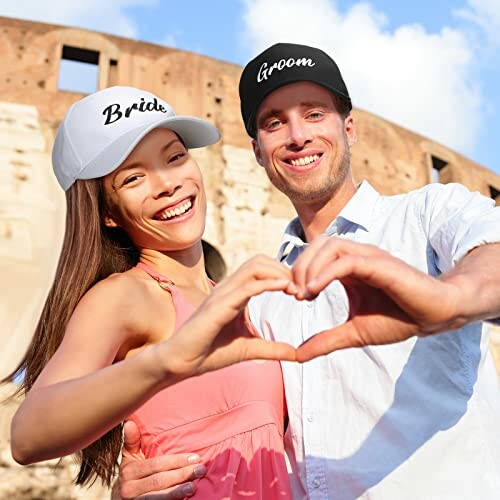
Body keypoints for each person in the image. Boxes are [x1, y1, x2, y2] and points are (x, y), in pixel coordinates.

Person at [118, 43, 500, 499]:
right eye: (274, 123)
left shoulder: (428, 214)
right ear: (259, 152)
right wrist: (145, 484)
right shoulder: (259, 297)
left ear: (350, 127)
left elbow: (490, 256)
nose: (297, 135)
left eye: (314, 113)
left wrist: (451, 301)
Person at [4, 86, 299, 499]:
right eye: (134, 177)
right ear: (107, 213)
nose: (167, 184)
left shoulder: (237, 303)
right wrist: (166, 361)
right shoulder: (127, 296)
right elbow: (29, 435)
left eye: (175, 157)